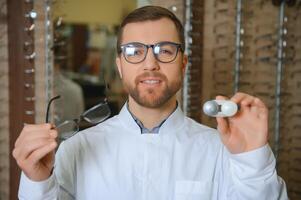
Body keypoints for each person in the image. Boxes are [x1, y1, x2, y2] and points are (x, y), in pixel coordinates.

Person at [13, 6, 288, 200]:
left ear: (183, 63)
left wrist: (252, 159)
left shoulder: (221, 151)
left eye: (164, 50)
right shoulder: (76, 150)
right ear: (119, 66)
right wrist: (37, 181)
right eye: (134, 52)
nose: (150, 63)